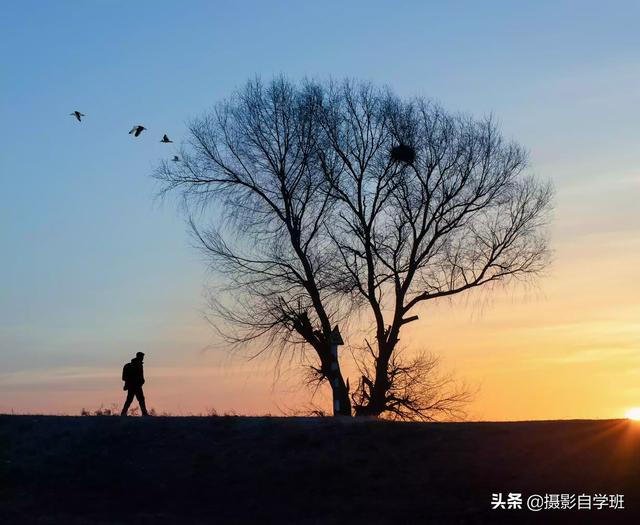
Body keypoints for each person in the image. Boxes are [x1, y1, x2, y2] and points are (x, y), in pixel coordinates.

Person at [120, 351, 149, 416]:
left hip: (135, 385)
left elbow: (140, 376)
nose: (142, 358)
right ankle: (144, 413)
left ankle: (123, 413)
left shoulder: (138, 365)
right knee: (139, 399)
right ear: (139, 357)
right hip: (135, 386)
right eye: (142, 357)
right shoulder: (136, 365)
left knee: (131, 399)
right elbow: (136, 376)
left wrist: (142, 381)